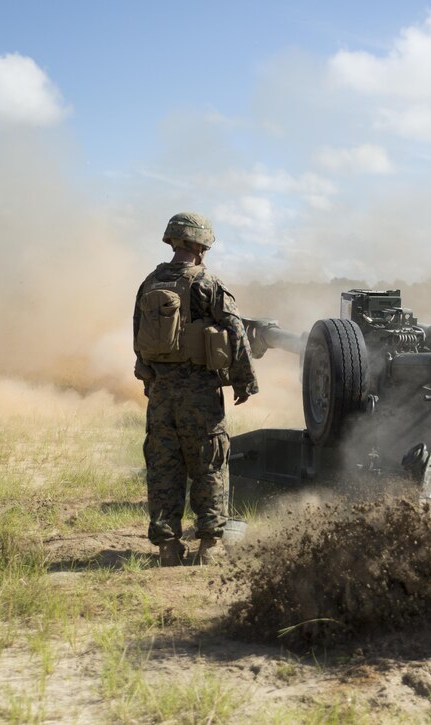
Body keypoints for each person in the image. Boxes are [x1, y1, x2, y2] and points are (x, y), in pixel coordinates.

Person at [133, 212, 258, 566]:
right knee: (209, 465)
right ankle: (210, 546)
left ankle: (168, 548)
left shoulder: (149, 284)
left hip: (161, 397)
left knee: (163, 468)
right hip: (201, 395)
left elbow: (138, 338)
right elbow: (236, 334)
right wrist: (245, 380)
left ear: (173, 242)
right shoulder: (208, 284)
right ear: (201, 246)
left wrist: (151, 380)